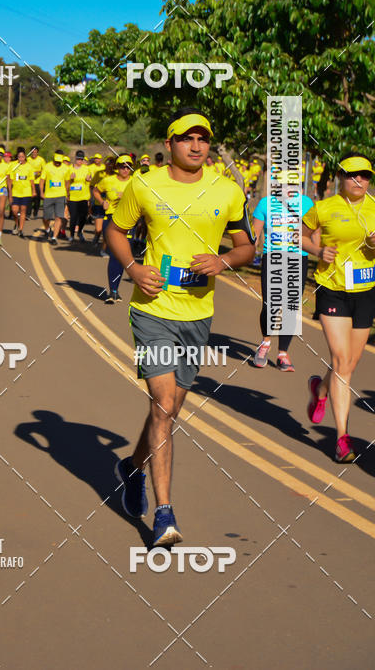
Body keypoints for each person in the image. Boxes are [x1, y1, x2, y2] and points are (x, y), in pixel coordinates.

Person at [106, 108, 255, 546]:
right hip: (152, 309)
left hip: (198, 314)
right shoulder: (145, 184)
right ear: (169, 144)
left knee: (166, 412)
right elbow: (115, 231)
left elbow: (247, 246)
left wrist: (224, 260)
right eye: (186, 138)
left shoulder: (227, 190)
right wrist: (133, 268)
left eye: (203, 139)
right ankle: (164, 514)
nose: (196, 145)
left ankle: (130, 467)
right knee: (164, 404)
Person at [302, 154, 375, 463]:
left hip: (366, 292)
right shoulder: (325, 207)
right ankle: (342, 439)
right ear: (341, 177)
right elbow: (300, 235)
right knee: (342, 359)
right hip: (332, 289)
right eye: (351, 175)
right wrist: (319, 250)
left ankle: (320, 389)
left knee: (348, 363)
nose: (358, 180)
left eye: (364, 175)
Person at [252, 172, 315, 371]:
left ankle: (283, 354)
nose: (289, 186)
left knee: (290, 307)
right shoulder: (265, 203)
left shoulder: (307, 204)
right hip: (272, 257)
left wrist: (319, 251)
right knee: (269, 305)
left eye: (293, 182)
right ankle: (265, 342)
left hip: (298, 258)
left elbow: (315, 232)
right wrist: (248, 251)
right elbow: (255, 234)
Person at [94, 154, 135, 302]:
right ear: (117, 167)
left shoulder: (135, 182)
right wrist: (102, 201)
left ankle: (115, 289)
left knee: (124, 256)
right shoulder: (108, 180)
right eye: (122, 166)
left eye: (128, 166)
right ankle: (113, 291)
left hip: (129, 221)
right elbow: (96, 190)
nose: (125, 169)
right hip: (111, 220)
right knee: (114, 254)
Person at [40, 151, 68, 244]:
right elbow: (42, 180)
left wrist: (67, 194)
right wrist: (41, 192)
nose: (57, 163)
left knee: (59, 217)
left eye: (59, 161)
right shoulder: (47, 166)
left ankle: (54, 238)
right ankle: (48, 230)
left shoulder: (65, 168)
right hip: (48, 195)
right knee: (46, 217)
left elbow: (67, 182)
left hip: (61, 195)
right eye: (56, 161)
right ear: (53, 159)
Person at [8, 147, 35, 237]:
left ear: (25, 157)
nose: (21, 159)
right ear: (17, 157)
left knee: (23, 210)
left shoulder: (29, 167)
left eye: (22, 157)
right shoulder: (13, 165)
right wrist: (10, 195)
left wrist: (34, 191)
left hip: (26, 192)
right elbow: (10, 181)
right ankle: (17, 223)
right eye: (19, 157)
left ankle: (20, 230)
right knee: (14, 211)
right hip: (15, 191)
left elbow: (31, 180)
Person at [67, 150, 92, 242]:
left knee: (83, 216)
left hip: (84, 196)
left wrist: (88, 180)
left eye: (81, 159)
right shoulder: (69, 169)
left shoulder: (86, 169)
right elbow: (65, 183)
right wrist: (70, 179)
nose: (80, 161)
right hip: (72, 197)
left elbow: (89, 180)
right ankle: (72, 235)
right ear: (75, 158)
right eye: (78, 159)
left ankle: (80, 232)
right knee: (73, 216)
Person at [27, 145, 46, 218]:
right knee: (29, 198)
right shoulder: (28, 159)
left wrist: (39, 173)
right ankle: (28, 214)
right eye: (32, 152)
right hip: (29, 182)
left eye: (35, 152)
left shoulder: (41, 160)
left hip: (38, 182)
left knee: (37, 199)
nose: (34, 154)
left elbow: (44, 170)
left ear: (37, 153)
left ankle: (35, 212)